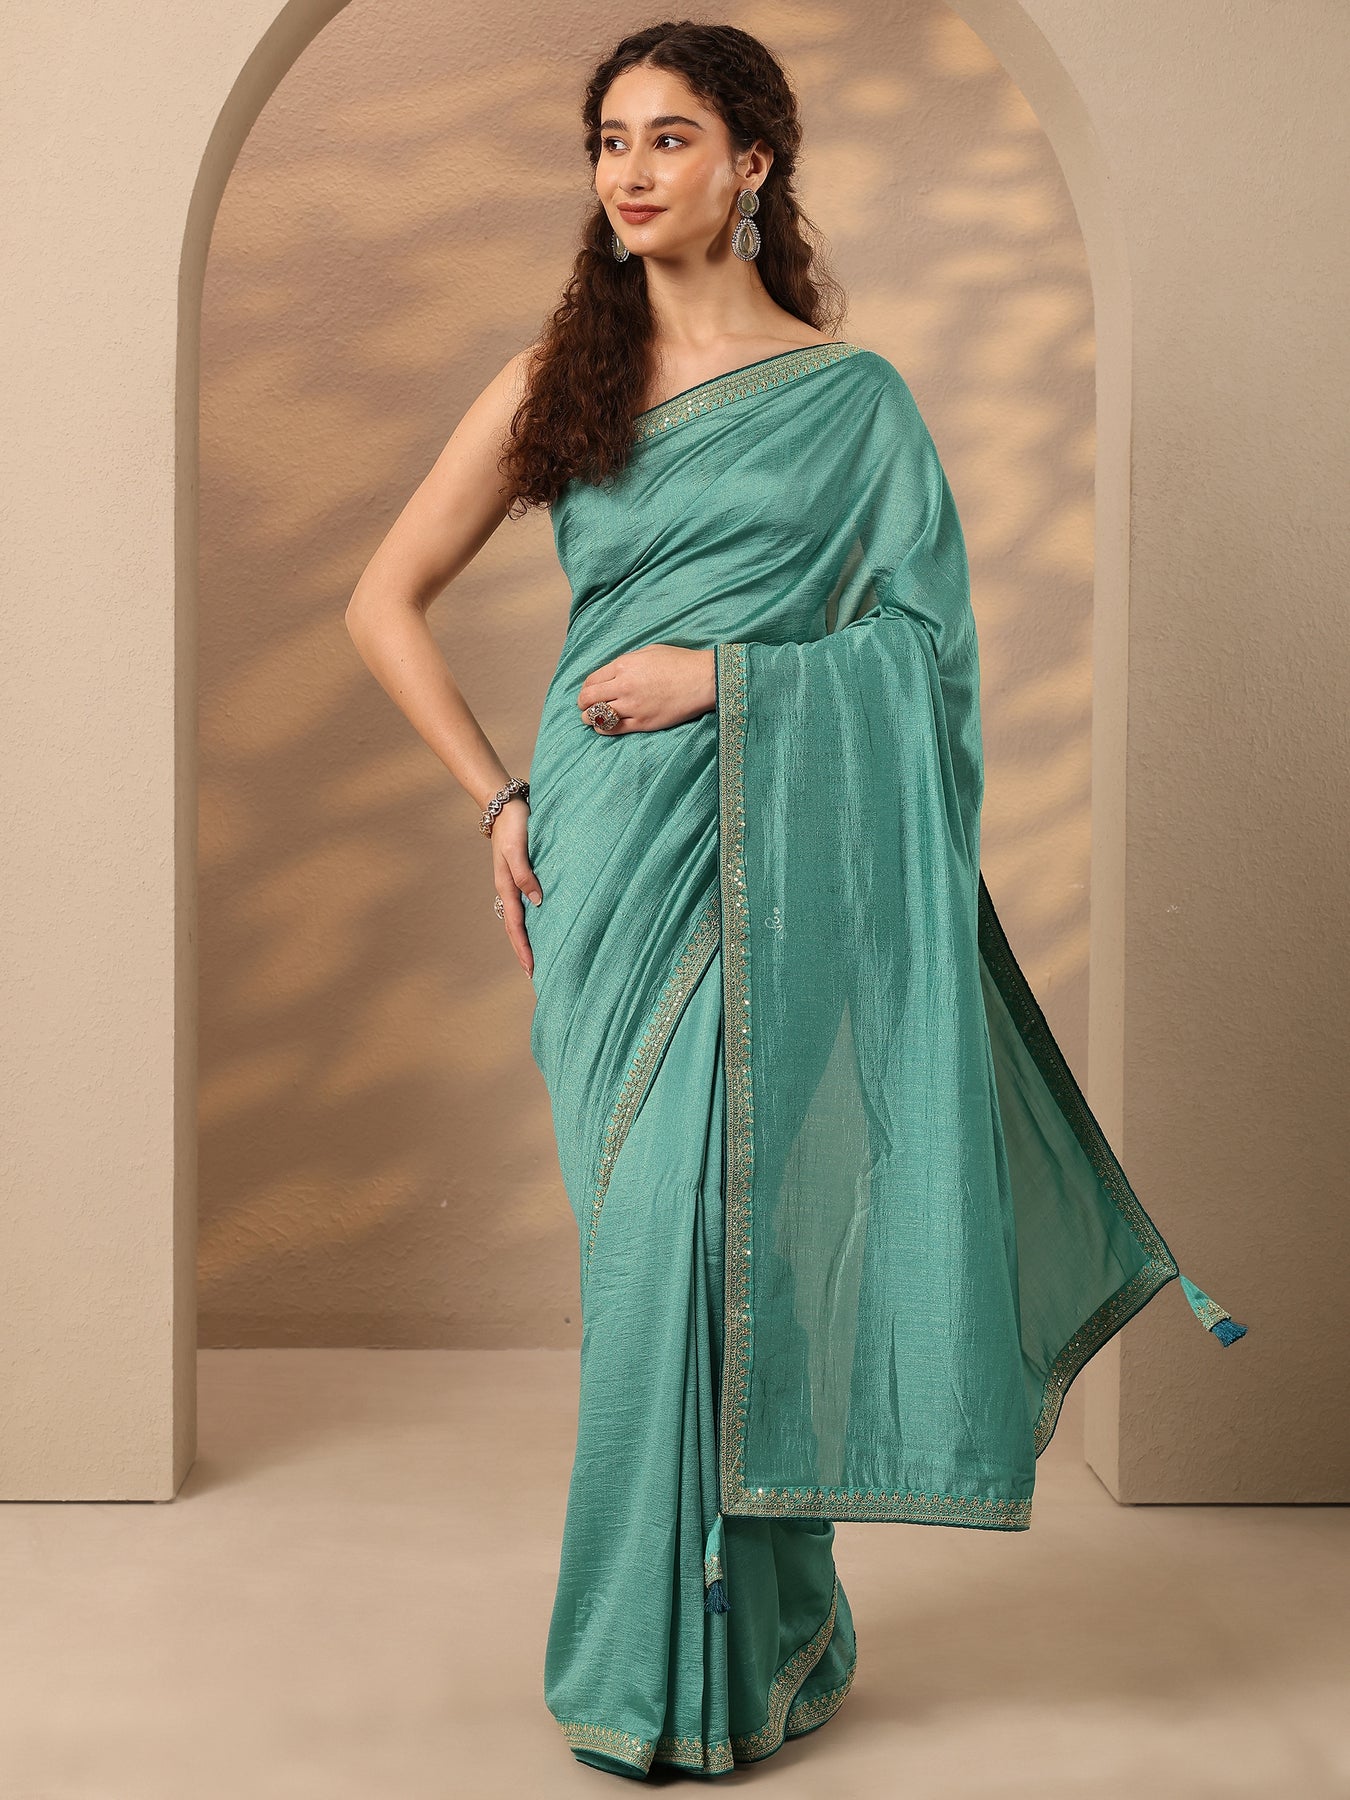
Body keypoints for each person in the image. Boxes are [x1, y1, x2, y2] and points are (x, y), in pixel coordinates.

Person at [345, 20, 1247, 1782]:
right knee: (645, 1255)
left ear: (753, 162)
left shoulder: (852, 399)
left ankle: (733, 1652)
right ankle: (674, 1656)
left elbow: (924, 654)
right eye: (609, 140)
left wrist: (726, 678)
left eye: (669, 137)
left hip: (773, 853)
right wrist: (496, 796)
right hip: (608, 862)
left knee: (724, 1239)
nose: (629, 171)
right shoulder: (558, 379)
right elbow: (383, 598)